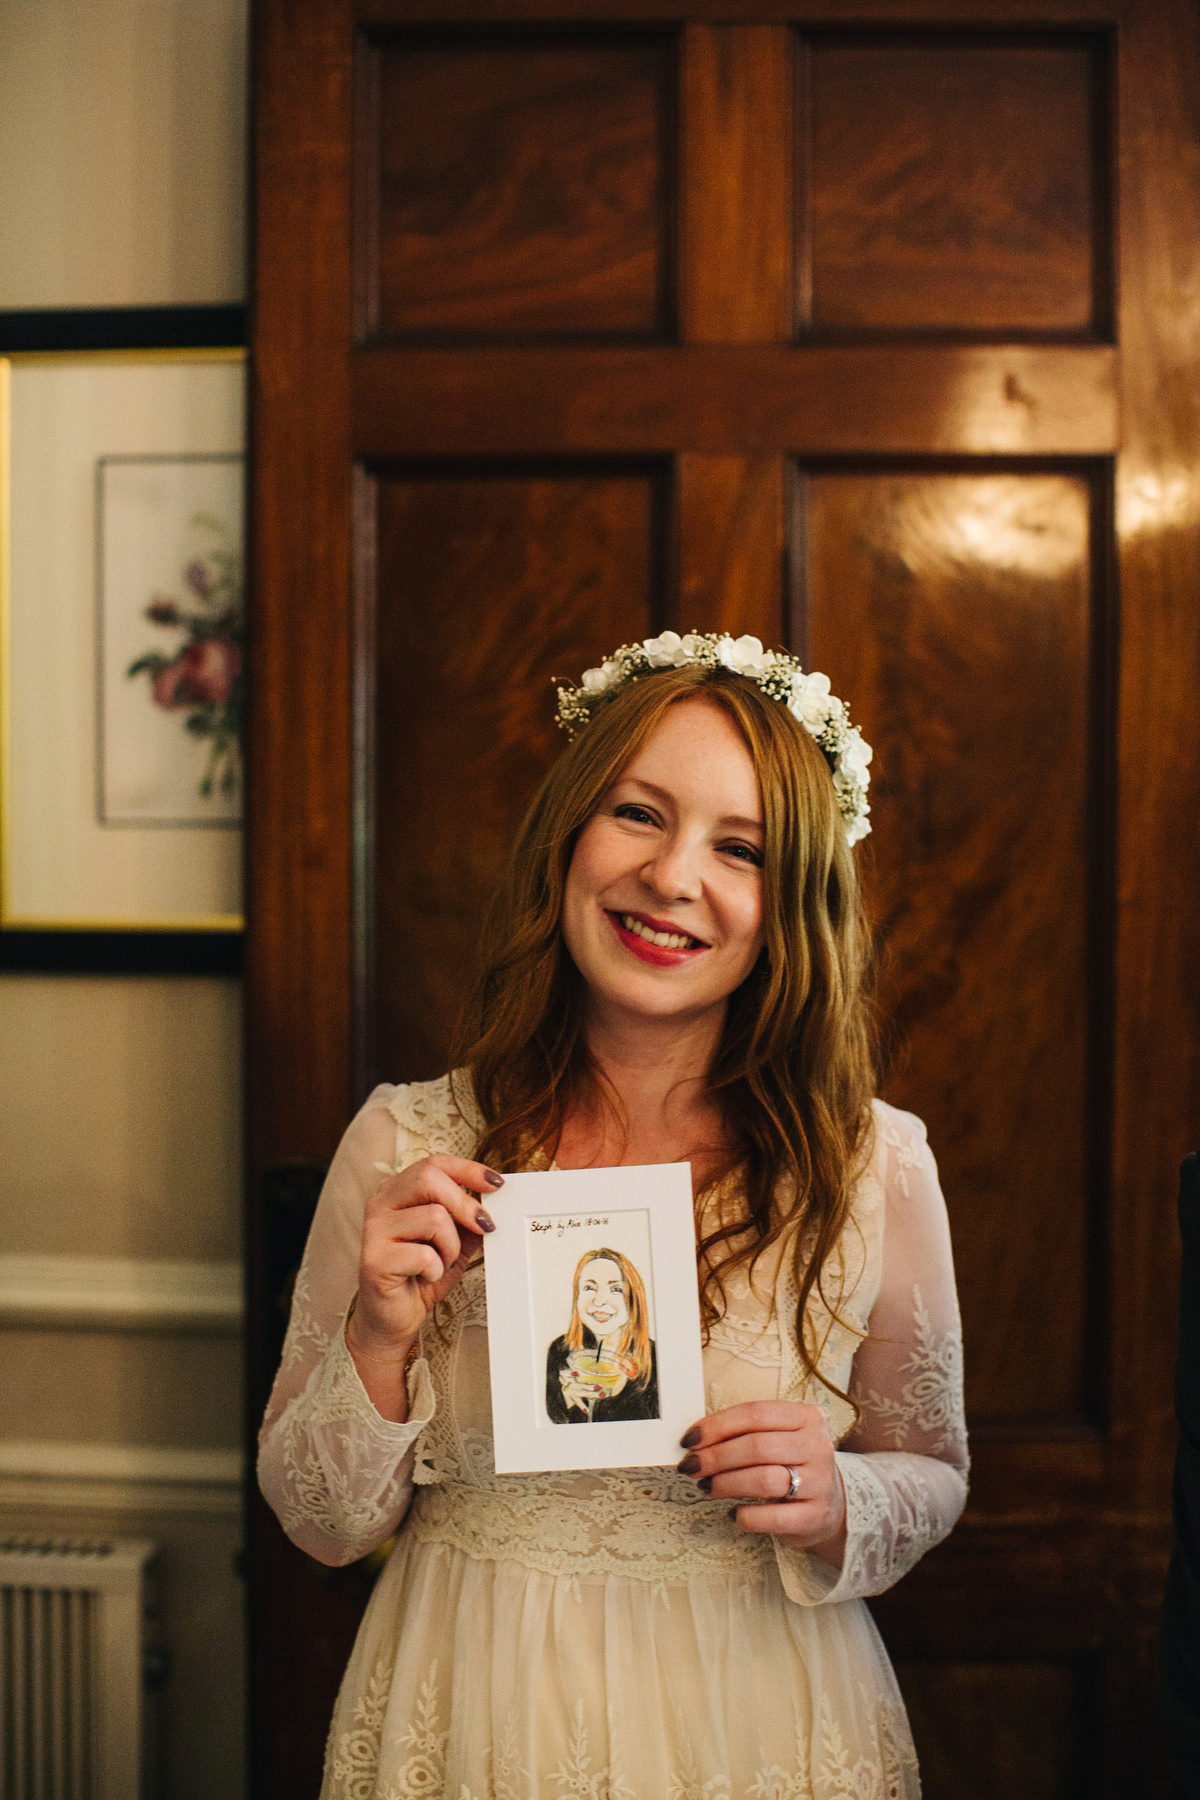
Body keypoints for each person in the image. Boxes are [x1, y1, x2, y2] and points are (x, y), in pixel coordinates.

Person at [258, 630, 968, 1800]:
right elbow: (323, 1524)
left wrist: (847, 1495)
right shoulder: (404, 1143)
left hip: (760, 1715)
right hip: (477, 1701)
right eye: (639, 815)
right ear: (567, 836)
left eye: (737, 847)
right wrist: (377, 1339)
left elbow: (933, 1472)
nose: (673, 876)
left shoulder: (873, 1162)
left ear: (790, 901)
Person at [545, 1246, 660, 1423]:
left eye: (616, 1289)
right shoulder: (560, 1349)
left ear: (633, 1299)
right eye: (589, 1287)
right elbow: (554, 1420)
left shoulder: (655, 1357)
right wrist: (567, 1402)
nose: (599, 1301)